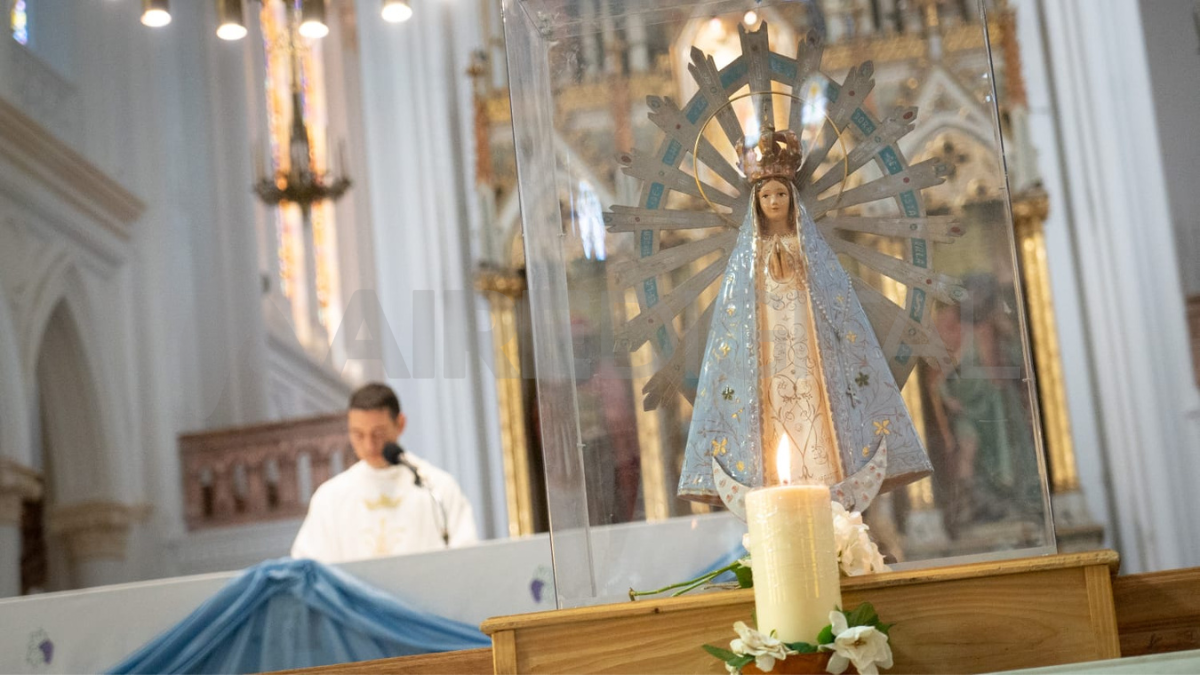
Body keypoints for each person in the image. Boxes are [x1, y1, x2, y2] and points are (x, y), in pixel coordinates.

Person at [678, 125, 932, 512]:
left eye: (780, 194)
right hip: (767, 356)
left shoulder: (811, 250)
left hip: (810, 353)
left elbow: (835, 304)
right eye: (766, 195)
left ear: (792, 198)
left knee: (817, 414)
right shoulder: (748, 256)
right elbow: (736, 316)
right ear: (756, 203)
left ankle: (827, 479)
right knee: (775, 414)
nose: (775, 201)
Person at [291, 383, 478, 563]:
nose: (369, 445)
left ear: (400, 424)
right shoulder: (331, 497)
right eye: (358, 434)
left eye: (378, 434)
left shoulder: (437, 488)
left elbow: (465, 557)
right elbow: (308, 567)